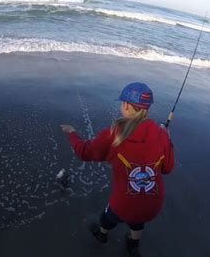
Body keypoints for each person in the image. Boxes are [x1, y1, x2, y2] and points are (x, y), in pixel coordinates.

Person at [60, 82, 174, 257]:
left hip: (124, 204)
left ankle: (102, 236)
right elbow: (167, 168)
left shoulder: (114, 134)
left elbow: (83, 152)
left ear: (127, 105)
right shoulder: (162, 135)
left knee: (108, 217)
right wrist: (168, 139)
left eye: (122, 103)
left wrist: (72, 133)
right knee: (137, 219)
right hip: (152, 206)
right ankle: (133, 245)